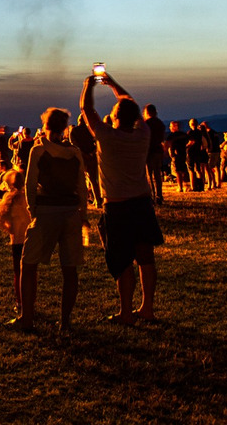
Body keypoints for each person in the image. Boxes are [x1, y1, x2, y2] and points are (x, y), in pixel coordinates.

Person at [80, 71, 163, 325]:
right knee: (145, 256)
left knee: (122, 260)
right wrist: (112, 83)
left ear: (114, 118)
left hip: (116, 206)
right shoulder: (143, 135)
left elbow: (86, 108)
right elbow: (131, 104)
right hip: (142, 203)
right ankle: (147, 308)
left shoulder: (107, 137)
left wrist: (88, 84)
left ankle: (126, 312)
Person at [11, 108, 88, 333]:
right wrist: (82, 215)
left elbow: (30, 182)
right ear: (65, 127)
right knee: (70, 268)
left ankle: (27, 318)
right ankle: (65, 322)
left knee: (29, 264)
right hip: (71, 212)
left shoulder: (39, 149)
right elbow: (81, 186)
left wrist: (32, 210)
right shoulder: (74, 152)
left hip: (46, 212)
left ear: (45, 125)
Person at [0, 168, 30, 315]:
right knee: (29, 272)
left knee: (19, 272)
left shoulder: (9, 199)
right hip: (29, 237)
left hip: (17, 240)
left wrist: (10, 230)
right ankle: (27, 300)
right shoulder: (28, 197)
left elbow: (0, 222)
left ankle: (20, 301)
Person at [69, 114, 103, 208]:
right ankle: (98, 200)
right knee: (93, 180)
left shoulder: (74, 131)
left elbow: (74, 145)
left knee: (80, 180)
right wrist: (91, 153)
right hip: (92, 157)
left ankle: (80, 201)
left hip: (80, 158)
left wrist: (83, 154)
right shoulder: (91, 130)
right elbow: (96, 142)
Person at [142, 105, 166, 205]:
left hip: (149, 151)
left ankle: (151, 196)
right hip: (158, 151)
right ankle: (159, 195)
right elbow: (162, 137)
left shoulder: (146, 124)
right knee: (157, 175)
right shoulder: (160, 123)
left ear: (147, 112)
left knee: (149, 176)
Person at [165, 121, 190, 194]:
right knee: (183, 170)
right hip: (183, 154)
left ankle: (180, 187)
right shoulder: (184, 135)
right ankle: (186, 185)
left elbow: (167, 144)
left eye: (171, 126)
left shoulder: (172, 136)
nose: (170, 128)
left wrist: (167, 151)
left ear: (175, 127)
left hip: (176, 155)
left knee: (178, 171)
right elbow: (190, 141)